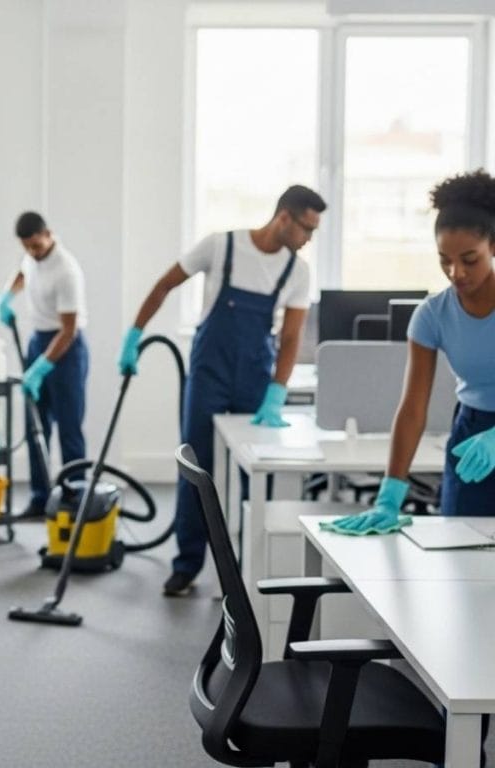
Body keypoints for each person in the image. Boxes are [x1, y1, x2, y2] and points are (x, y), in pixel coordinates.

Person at [330, 168, 495, 767]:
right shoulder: (433, 314)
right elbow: (413, 406)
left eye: (470, 259)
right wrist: (390, 491)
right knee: (465, 589)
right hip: (472, 438)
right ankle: (466, 738)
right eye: (445, 260)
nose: (457, 273)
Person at [119, 185, 326, 596]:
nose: (308, 239)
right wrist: (134, 335)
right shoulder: (221, 246)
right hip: (209, 371)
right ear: (284, 217)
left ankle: (245, 569)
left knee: (254, 475)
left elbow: (290, 338)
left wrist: (276, 393)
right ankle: (187, 563)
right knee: (197, 467)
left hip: (253, 378)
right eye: (306, 228)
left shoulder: (297, 271)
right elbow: (164, 285)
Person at [0, 211, 89, 517]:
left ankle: (75, 498)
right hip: (38, 341)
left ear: (48, 234)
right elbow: (23, 272)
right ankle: (40, 497)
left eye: (36, 245)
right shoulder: (32, 257)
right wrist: (6, 297)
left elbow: (69, 330)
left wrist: (40, 368)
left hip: (67, 350)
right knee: (36, 426)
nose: (32, 252)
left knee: (69, 427)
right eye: (27, 247)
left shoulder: (66, 271)